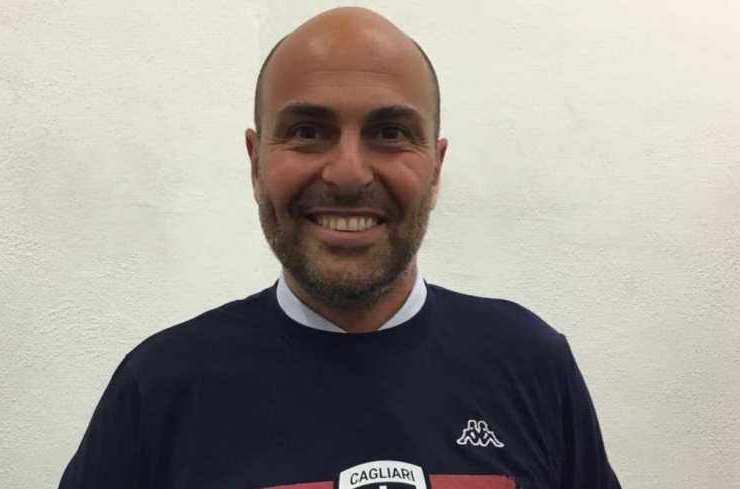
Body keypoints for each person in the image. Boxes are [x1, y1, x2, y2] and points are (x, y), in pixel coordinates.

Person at [59, 7, 621, 489]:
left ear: (436, 167)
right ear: (255, 163)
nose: (348, 173)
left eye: (390, 132)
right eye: (307, 131)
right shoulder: (159, 390)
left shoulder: (532, 365)